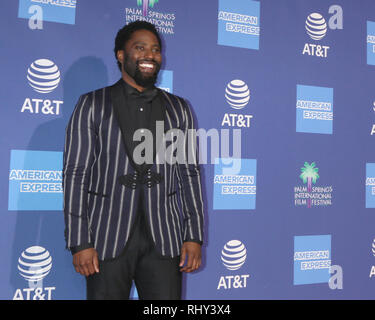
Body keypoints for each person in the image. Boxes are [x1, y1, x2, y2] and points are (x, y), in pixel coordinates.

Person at [63, 21, 204, 300]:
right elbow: (76, 174)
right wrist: (79, 241)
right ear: (120, 55)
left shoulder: (179, 109)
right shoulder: (92, 104)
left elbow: (190, 173)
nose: (150, 55)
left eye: (155, 49)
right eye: (140, 48)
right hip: (106, 240)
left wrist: (194, 235)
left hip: (164, 239)